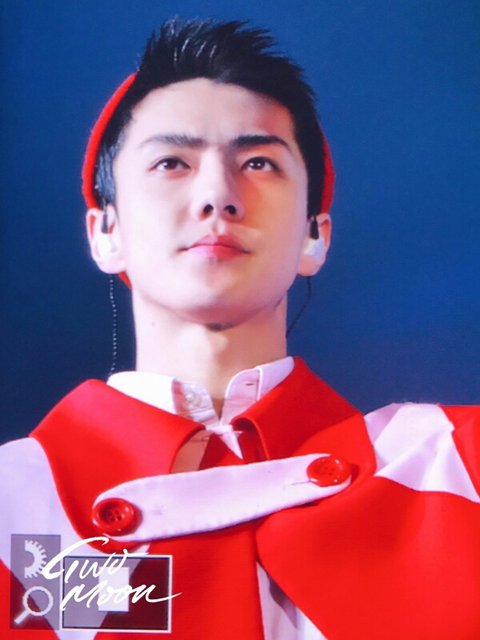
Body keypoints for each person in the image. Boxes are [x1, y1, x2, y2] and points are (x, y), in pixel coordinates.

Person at [0, 17, 479, 640]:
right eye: (172, 162)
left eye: (258, 162)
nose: (218, 195)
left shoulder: (447, 463)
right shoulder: (17, 502)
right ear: (105, 233)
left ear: (314, 236)